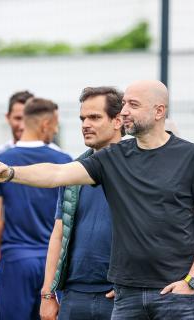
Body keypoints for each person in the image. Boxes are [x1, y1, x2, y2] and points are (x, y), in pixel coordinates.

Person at [0, 80, 194, 319]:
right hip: (127, 297)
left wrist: (193, 280)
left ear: (159, 111)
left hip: (175, 295)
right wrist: (10, 172)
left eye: (133, 104)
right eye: (124, 104)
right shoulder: (113, 157)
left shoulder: (191, 156)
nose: (125, 111)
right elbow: (57, 173)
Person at [40, 87, 123, 320]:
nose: (85, 124)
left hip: (119, 295)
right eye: (82, 118)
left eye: (95, 117)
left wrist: (133, 283)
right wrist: (48, 294)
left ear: (118, 121)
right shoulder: (74, 170)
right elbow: (59, 233)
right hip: (73, 295)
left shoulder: (136, 168)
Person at [0, 98, 72, 320]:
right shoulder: (64, 162)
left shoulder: (0, 162)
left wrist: (9, 250)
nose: (56, 130)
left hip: (16, 258)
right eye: (56, 124)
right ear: (46, 124)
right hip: (53, 264)